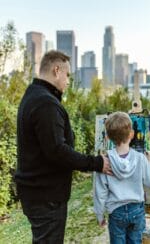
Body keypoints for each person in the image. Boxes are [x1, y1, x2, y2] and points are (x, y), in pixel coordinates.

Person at [15, 50, 112, 244]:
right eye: (67, 75)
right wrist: (97, 163)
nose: (68, 81)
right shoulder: (45, 103)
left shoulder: (33, 94)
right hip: (46, 196)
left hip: (38, 193)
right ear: (56, 70)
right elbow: (57, 151)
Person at [93, 111, 150, 244]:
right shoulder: (140, 158)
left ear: (108, 138)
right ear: (132, 134)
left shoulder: (104, 162)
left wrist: (100, 215)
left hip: (116, 213)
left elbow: (100, 193)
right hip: (137, 210)